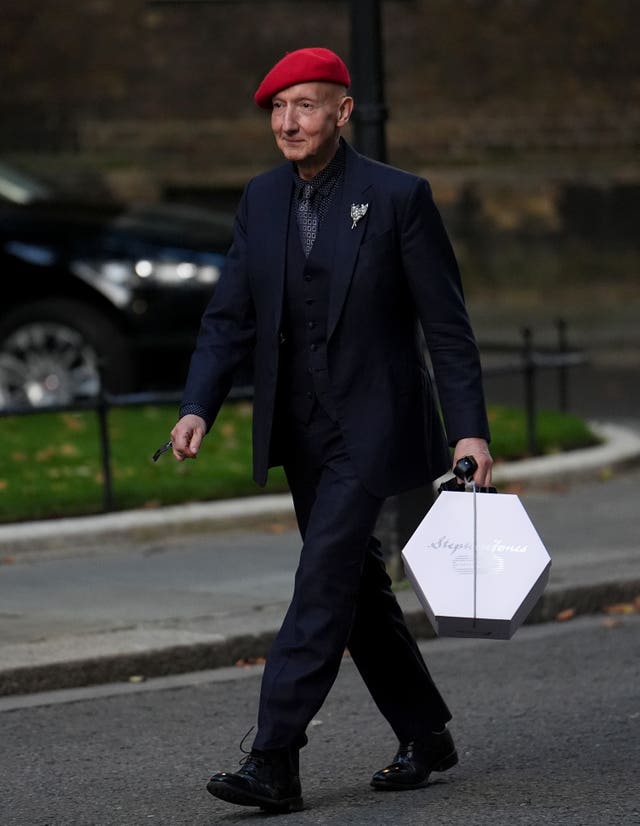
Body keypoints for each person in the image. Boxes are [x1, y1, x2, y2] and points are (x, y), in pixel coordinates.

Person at [168, 46, 493, 814]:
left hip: (376, 427)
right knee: (354, 586)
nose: (289, 122)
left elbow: (447, 328)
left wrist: (469, 431)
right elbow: (229, 317)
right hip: (303, 428)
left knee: (319, 583)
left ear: (342, 113)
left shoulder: (398, 197)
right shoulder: (259, 199)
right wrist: (197, 406)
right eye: (278, 110)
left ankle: (274, 757)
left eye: (305, 106)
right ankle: (426, 732)